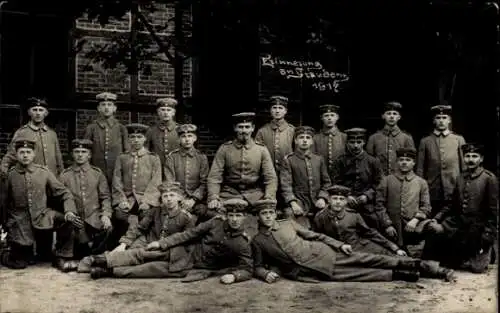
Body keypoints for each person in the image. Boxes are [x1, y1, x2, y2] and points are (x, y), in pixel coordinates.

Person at [251, 199, 455, 283]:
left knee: (370, 259)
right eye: (263, 214)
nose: (268, 217)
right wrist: (266, 273)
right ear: (258, 217)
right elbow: (258, 266)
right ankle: (408, 275)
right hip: (305, 272)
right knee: (363, 275)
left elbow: (316, 236)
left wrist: (340, 245)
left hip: (323, 253)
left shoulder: (288, 224)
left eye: (270, 212)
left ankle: (432, 268)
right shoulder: (258, 240)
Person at [89, 198, 253, 284]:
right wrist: (162, 243)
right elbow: (189, 234)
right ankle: (104, 260)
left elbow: (247, 269)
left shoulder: (243, 243)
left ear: (244, 217)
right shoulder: (216, 222)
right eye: (231, 215)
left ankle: (107, 272)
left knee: (148, 270)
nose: (234, 219)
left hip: (192, 267)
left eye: (238, 216)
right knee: (144, 253)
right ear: (226, 215)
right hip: (183, 251)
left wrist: (234, 276)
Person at [81, 182, 195, 277]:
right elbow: (140, 228)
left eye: (172, 195)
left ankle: (103, 265)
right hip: (149, 242)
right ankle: (95, 261)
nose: (169, 199)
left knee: (143, 260)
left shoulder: (186, 217)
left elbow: (187, 239)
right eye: (165, 196)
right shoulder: (156, 211)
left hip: (169, 251)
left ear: (179, 197)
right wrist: (124, 243)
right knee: (129, 251)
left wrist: (164, 246)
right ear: (161, 199)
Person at [1, 139, 80, 271]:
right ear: (16, 154)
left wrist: (69, 211)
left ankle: (62, 255)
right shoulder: (10, 175)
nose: (25, 155)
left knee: (67, 221)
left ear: (33, 154)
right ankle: (4, 253)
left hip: (43, 215)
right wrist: (6, 224)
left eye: (28, 152)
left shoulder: (43, 172)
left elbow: (64, 193)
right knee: (20, 262)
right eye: (21, 152)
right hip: (19, 221)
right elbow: (3, 203)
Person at [423, 143, 498, 273]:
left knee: (477, 268)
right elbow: (452, 204)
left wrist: (487, 235)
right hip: (458, 224)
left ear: (481, 159)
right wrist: (437, 218)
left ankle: (487, 252)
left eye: (475, 156)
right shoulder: (460, 177)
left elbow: (493, 211)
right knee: (448, 260)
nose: (470, 159)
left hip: (477, 227)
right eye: (467, 156)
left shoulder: (489, 178)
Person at [207, 112, 277, 232]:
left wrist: (269, 196)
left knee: (263, 219)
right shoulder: (225, 149)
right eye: (240, 127)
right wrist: (214, 197)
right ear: (235, 128)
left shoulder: (261, 150)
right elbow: (214, 177)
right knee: (214, 214)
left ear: (253, 128)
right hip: (230, 193)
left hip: (254, 194)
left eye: (247, 127)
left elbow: (270, 178)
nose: (244, 130)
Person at [59, 139, 113, 263]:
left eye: (84, 151)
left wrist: (106, 215)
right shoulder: (64, 175)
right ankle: (69, 253)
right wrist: (69, 213)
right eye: (77, 151)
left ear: (89, 155)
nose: (80, 154)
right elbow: (60, 198)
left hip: (93, 218)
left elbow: (105, 197)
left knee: (107, 228)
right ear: (72, 154)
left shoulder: (97, 174)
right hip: (75, 218)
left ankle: (96, 255)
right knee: (74, 241)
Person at [315, 185, 406, 256]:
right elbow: (317, 237)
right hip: (334, 251)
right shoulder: (321, 217)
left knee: (388, 256)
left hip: (357, 248)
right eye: (335, 198)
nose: (338, 202)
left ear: (346, 201)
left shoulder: (353, 215)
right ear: (329, 200)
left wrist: (394, 248)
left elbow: (370, 233)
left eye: (341, 199)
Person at [331, 128, 392, 234]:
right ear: (347, 143)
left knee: (375, 224)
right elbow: (336, 182)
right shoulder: (340, 161)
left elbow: (379, 183)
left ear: (363, 142)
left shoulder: (373, 161)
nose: (355, 146)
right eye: (352, 142)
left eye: (359, 142)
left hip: (367, 204)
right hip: (345, 203)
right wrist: (347, 196)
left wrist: (367, 195)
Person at [111, 123, 162, 248]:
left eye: (139, 137)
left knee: (147, 215)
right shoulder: (122, 157)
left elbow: (156, 182)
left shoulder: (153, 158)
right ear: (128, 139)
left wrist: (147, 201)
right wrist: (121, 200)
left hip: (145, 199)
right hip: (128, 199)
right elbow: (116, 180)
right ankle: (120, 247)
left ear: (144, 139)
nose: (136, 140)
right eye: (132, 137)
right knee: (119, 214)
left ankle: (141, 247)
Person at [375, 148, 432, 256]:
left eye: (408, 160)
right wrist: (387, 224)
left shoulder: (421, 182)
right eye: (401, 160)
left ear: (414, 163)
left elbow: (426, 206)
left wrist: (415, 220)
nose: (404, 162)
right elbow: (379, 205)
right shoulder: (387, 180)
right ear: (397, 162)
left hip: (413, 228)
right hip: (392, 228)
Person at [416, 105, 466, 217]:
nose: (441, 121)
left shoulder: (458, 139)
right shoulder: (425, 141)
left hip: (453, 188)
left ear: (449, 120)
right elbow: (420, 168)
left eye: (444, 117)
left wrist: (463, 188)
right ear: (434, 121)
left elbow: (464, 167)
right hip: (432, 190)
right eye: (438, 118)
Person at [280, 126, 331, 227]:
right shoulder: (289, 160)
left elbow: (327, 182)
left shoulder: (319, 159)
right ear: (296, 141)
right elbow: (286, 185)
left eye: (308, 138)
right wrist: (293, 203)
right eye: (301, 137)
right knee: (293, 220)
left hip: (317, 201)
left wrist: (322, 198)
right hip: (299, 201)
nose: (304, 140)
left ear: (312, 141)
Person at [1, 97, 64, 176]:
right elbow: (11, 155)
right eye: (34, 110)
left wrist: (62, 176)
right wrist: (4, 168)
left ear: (46, 113)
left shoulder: (52, 134)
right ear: (29, 112)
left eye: (41, 110)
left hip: (52, 178)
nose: (38, 113)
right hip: (32, 179)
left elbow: (58, 159)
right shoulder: (22, 132)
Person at [164, 124, 210, 223]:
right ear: (179, 139)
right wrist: (181, 199)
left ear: (195, 138)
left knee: (203, 213)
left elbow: (204, 182)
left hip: (197, 201)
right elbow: (170, 182)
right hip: (177, 199)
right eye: (183, 137)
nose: (187, 139)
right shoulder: (172, 157)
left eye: (190, 136)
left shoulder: (202, 157)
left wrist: (193, 199)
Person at [84, 92, 130, 184]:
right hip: (97, 172)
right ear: (98, 108)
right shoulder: (91, 128)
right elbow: (86, 151)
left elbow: (127, 152)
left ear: (114, 108)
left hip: (116, 172)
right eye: (103, 105)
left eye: (109, 105)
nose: (106, 108)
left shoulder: (121, 128)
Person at [366, 101, 415, 175]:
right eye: (388, 113)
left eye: (395, 114)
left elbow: (411, 163)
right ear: (383, 116)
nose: (392, 116)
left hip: (400, 180)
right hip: (379, 180)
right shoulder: (373, 138)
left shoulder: (407, 138)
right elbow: (368, 162)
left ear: (399, 117)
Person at [255, 95, 295, 169]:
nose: (277, 111)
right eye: (274, 108)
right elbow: (257, 154)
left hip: (288, 170)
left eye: (280, 108)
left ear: (285, 111)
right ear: (270, 110)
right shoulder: (262, 131)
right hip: (268, 170)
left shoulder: (292, 130)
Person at [312, 104, 347, 180]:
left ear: (337, 117)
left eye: (332, 115)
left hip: (341, 177)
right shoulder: (315, 138)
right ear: (321, 118)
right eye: (326, 116)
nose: (329, 118)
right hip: (321, 177)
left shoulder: (344, 137)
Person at [145, 97, 180, 171]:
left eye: (169, 110)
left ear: (173, 113)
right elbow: (146, 153)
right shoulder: (151, 131)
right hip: (156, 169)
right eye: (163, 110)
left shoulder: (179, 130)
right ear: (158, 112)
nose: (166, 113)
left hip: (176, 169)